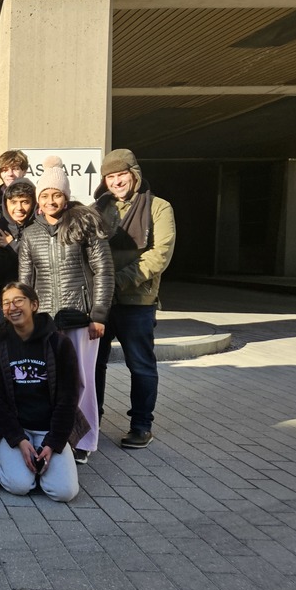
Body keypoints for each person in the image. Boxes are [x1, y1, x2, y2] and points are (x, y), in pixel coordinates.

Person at [18, 160, 113, 464]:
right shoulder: (30, 233)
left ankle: (84, 441)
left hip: (80, 318)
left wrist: (98, 314)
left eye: (56, 195)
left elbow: (103, 271)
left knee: (82, 381)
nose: (50, 201)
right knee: (50, 380)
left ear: (66, 195)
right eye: (44, 195)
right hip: (46, 320)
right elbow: (25, 281)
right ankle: (57, 435)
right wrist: (24, 319)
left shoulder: (85, 223)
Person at [93, 148, 176, 449]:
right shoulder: (97, 208)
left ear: (134, 175)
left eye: (121, 175)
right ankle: (92, 420)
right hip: (101, 302)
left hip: (137, 301)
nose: (116, 181)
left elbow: (160, 255)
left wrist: (117, 281)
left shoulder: (158, 207)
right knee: (94, 365)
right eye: (110, 177)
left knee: (140, 365)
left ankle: (141, 425)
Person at [0, 282, 80, 502]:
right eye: (6, 303)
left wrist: (53, 442)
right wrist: (18, 439)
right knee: (19, 485)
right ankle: (15, 461)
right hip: (16, 430)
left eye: (18, 300)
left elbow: (69, 398)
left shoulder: (59, 343)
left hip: (49, 429)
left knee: (64, 492)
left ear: (34, 304)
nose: (12, 307)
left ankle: (52, 460)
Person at [0, 177, 36, 333]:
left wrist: (13, 245)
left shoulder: (38, 227)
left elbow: (38, 263)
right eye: (13, 202)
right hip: (0, 300)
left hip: (31, 298)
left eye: (25, 202)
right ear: (6, 203)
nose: (19, 208)